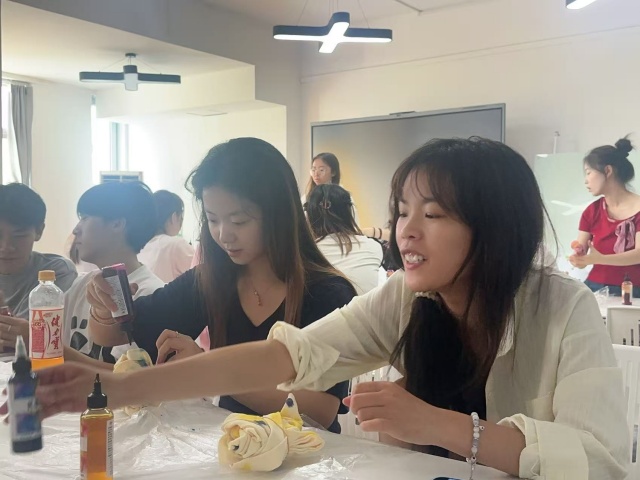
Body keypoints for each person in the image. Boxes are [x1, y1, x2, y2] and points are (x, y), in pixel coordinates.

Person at [17, 139, 628, 479]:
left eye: (433, 214)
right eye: (402, 212)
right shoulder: (406, 296)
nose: (406, 231)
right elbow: (288, 355)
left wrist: (438, 425)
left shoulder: (563, 308)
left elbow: (599, 463)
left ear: (495, 227)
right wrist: (120, 387)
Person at [69, 138, 355, 432]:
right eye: (212, 219)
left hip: (311, 452)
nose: (224, 234)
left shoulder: (327, 292)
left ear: (279, 215)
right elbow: (114, 334)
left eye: (239, 221)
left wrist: (208, 370)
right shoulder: (212, 280)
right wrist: (104, 307)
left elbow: (321, 410)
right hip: (236, 447)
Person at [0, 184, 76, 350]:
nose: (6, 247)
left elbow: (39, 335)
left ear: (39, 231)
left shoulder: (55, 272)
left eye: (19, 236)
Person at [570, 137, 640, 296]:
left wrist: (598, 258)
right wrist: (578, 256)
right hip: (596, 287)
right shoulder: (591, 211)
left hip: (633, 291)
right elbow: (582, 256)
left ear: (607, 171)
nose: (586, 181)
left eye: (589, 173)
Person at [306, 184, 382, 294]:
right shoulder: (374, 247)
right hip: (366, 306)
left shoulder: (306, 254)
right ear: (349, 212)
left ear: (310, 215)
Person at [138, 190, 195, 283]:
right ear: (174, 217)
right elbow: (204, 275)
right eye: (181, 218)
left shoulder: (140, 247)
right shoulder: (175, 244)